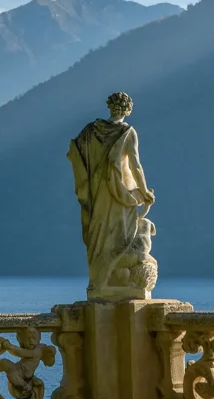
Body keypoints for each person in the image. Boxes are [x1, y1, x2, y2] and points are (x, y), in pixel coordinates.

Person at [66, 91, 158, 300]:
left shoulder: (91, 131)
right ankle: (110, 280)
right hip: (118, 193)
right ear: (128, 110)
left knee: (99, 234)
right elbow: (135, 165)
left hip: (98, 191)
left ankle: (98, 282)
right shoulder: (128, 132)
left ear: (110, 107)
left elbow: (75, 152)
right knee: (119, 235)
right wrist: (144, 192)